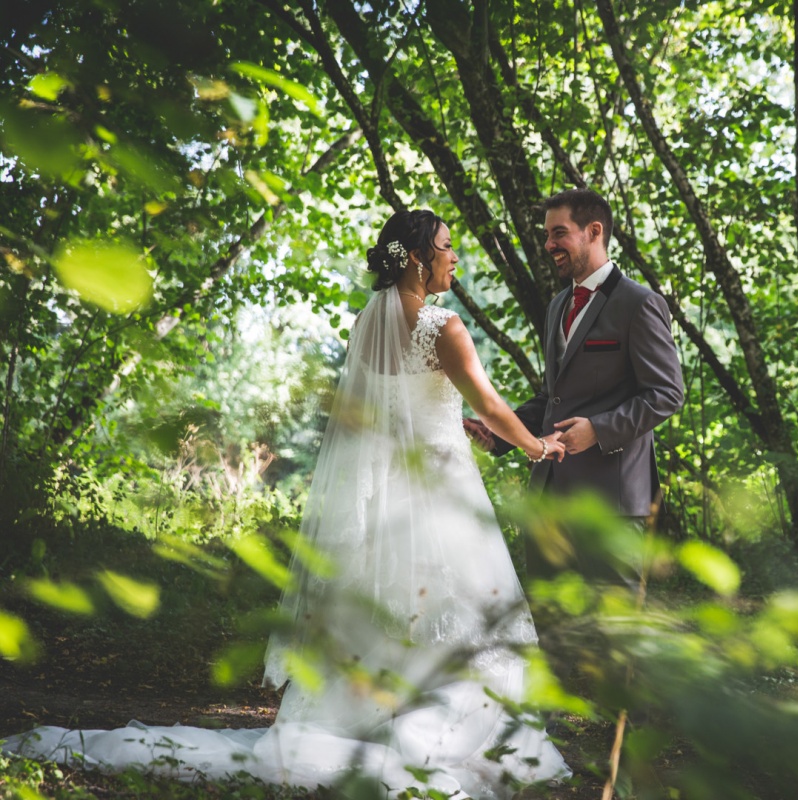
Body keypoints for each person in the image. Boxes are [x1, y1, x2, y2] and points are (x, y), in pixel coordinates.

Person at [3, 209, 572, 800]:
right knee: (463, 619)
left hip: (386, 502)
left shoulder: (368, 323)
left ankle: (376, 715)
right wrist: (538, 445)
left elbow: (392, 413)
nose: (455, 257)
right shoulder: (443, 327)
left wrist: (466, 425)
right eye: (448, 248)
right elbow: (492, 402)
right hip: (442, 494)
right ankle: (448, 738)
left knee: (390, 614)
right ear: (418, 259)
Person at [492, 188, 684, 581]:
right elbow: (553, 397)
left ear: (593, 231)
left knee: (613, 634)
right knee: (556, 634)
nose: (548, 244)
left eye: (558, 233)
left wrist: (598, 430)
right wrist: (500, 433)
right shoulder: (557, 306)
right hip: (548, 502)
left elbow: (667, 394)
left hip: (611, 505)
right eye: (547, 235)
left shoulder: (640, 303)